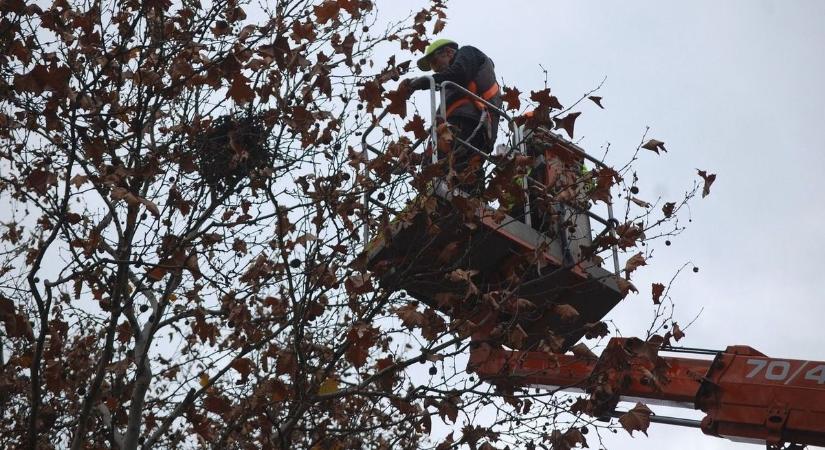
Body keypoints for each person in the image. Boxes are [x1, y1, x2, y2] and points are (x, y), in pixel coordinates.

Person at [402, 39, 502, 194]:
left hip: (468, 123)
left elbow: (458, 73)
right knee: (461, 170)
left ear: (449, 52)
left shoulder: (468, 54)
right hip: (475, 129)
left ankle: (449, 201)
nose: (435, 70)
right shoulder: (451, 87)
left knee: (448, 167)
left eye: (435, 63)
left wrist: (422, 82)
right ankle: (470, 203)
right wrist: (420, 157)